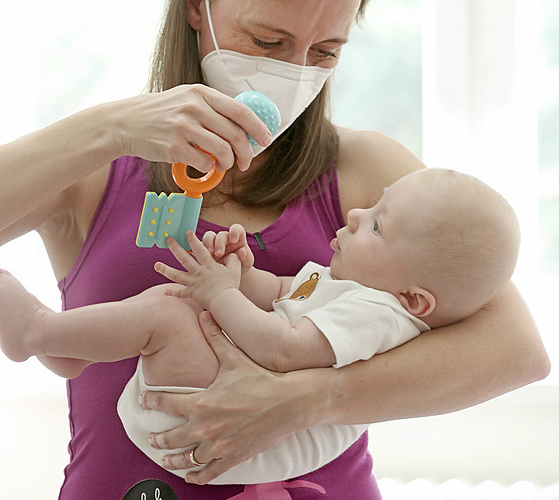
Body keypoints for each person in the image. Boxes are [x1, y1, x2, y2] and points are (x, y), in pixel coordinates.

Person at [0, 0, 549, 497]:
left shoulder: (369, 175)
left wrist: (304, 401)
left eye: (326, 52)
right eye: (268, 41)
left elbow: (517, 350)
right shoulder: (97, 169)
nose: (294, 72)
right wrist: (112, 129)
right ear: (197, 3)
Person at [0, 167, 521, 485]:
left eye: (379, 226)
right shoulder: (345, 286)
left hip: (227, 436)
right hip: (211, 416)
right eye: (373, 205)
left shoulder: (381, 317)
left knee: (172, 312)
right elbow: (276, 296)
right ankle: (64, 346)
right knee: (176, 300)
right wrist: (242, 274)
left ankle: (39, 334)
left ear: (414, 298)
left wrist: (221, 293)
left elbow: (284, 350)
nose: (358, 214)